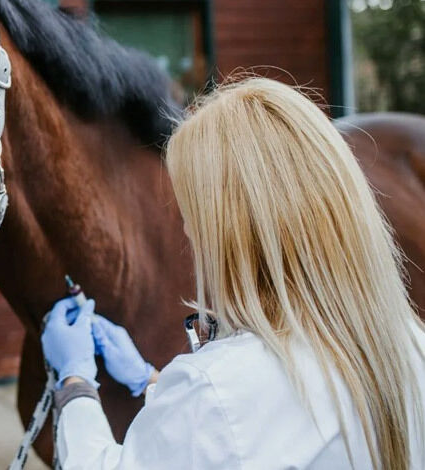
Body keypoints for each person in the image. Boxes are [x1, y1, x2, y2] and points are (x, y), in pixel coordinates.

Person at [41, 78, 425, 469]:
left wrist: (75, 382)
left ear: (231, 232)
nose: (186, 230)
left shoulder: (215, 390)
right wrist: (147, 379)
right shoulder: (410, 343)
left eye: (191, 214)